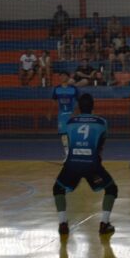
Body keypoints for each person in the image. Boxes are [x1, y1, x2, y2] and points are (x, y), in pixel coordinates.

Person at [53, 93, 118, 236]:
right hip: (92, 165)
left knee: (58, 188)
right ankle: (104, 223)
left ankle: (63, 223)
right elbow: (101, 144)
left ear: (78, 107)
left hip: (72, 164)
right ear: (93, 106)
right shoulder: (101, 122)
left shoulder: (70, 122)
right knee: (111, 189)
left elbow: (69, 143)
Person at [52, 72, 79, 158]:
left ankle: (74, 151)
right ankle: (67, 152)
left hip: (72, 115)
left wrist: (75, 113)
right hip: (62, 115)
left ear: (68, 77)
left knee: (73, 133)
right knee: (63, 134)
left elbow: (78, 102)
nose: (62, 77)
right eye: (61, 75)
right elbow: (53, 102)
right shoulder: (56, 89)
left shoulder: (74, 89)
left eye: (64, 75)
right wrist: (50, 112)